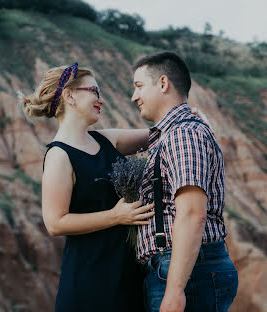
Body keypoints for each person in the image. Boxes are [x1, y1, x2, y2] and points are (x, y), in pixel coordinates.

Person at [21, 63, 154, 311]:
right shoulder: (59, 155)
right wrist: (115, 216)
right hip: (91, 282)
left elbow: (157, 134)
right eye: (94, 91)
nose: (101, 100)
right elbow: (55, 223)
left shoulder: (106, 140)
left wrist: (187, 117)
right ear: (69, 96)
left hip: (128, 276)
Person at [131, 51, 238, 312]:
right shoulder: (173, 133)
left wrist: (175, 290)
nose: (134, 97)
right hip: (184, 269)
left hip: (188, 273)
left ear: (164, 83)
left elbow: (192, 214)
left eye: (139, 86)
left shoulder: (183, 134)